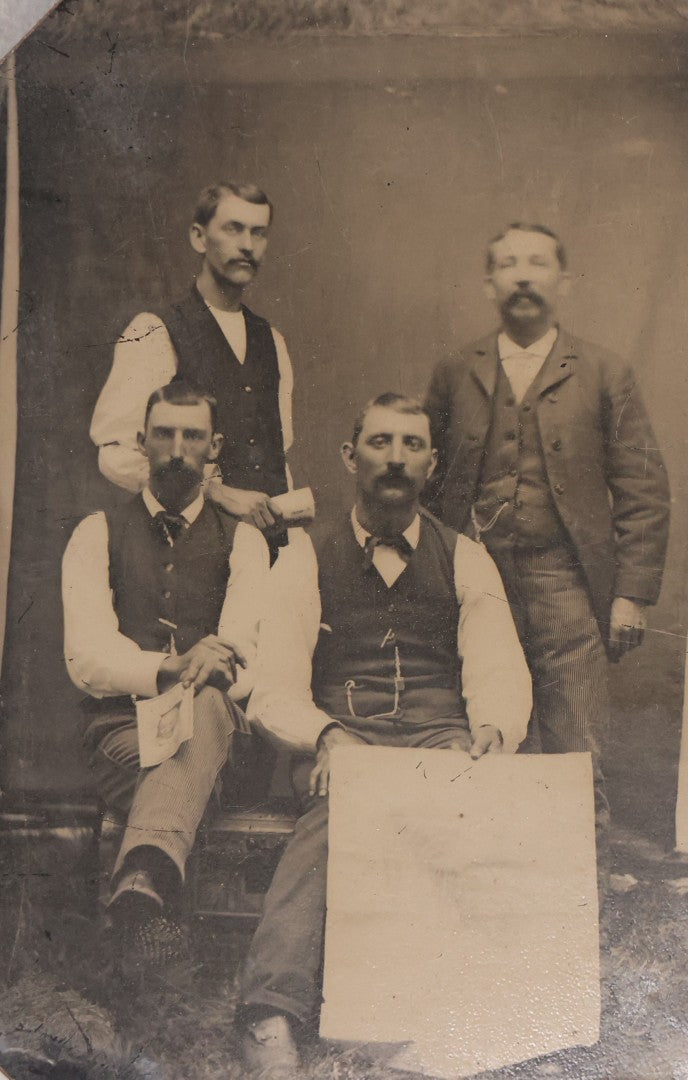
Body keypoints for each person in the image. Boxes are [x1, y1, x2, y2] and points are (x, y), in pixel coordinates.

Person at [235, 392, 532, 1078]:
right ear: (349, 457)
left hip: (436, 737)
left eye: (410, 445)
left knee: (465, 810)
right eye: (378, 442)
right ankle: (268, 1011)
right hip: (346, 739)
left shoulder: (465, 558)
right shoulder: (306, 557)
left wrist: (489, 729)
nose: (394, 458)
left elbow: (496, 667)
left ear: (430, 463)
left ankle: (437, 1017)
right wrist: (327, 736)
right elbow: (273, 689)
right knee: (335, 817)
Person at [424, 222, 670, 831]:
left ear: (565, 281)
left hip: (566, 580)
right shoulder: (457, 371)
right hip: (474, 578)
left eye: (538, 263)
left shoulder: (605, 372)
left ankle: (582, 880)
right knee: (479, 720)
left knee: (574, 734)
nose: (524, 276)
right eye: (508, 264)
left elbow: (643, 490)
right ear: (488, 284)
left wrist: (631, 595)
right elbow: (423, 478)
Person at [63, 382, 269, 966]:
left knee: (206, 710)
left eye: (193, 435)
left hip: (221, 736)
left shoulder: (244, 540)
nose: (178, 450)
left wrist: (213, 666)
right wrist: (173, 667)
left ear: (214, 447)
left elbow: (244, 652)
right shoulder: (96, 532)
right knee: (183, 767)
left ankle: (141, 879)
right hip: (121, 733)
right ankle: (161, 912)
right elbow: (87, 658)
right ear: (141, 442)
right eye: (164, 434)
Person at [90, 180, 293, 546]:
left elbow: (278, 459)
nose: (247, 245)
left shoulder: (272, 341)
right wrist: (213, 492)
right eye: (233, 229)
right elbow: (115, 454)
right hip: (186, 553)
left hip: (265, 557)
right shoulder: (155, 331)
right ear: (199, 238)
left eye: (258, 233)